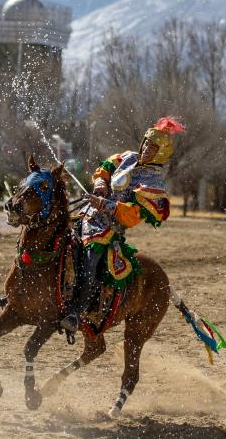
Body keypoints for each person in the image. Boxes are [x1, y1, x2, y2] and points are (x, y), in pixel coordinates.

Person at [58, 117, 185, 337]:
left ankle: (76, 314)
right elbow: (105, 168)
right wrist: (99, 185)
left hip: (107, 231)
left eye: (152, 147)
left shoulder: (154, 184)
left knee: (89, 263)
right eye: (146, 143)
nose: (146, 148)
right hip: (87, 215)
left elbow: (132, 216)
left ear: (161, 153)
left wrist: (105, 203)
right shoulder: (127, 158)